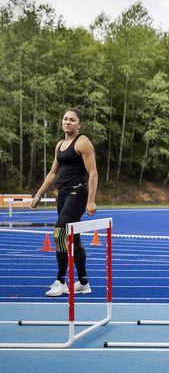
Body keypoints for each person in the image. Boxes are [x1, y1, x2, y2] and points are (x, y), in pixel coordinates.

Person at [30, 108, 98, 296]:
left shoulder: (83, 143)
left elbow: (93, 173)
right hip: (63, 194)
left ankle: (60, 281)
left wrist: (91, 200)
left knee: (59, 232)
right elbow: (53, 173)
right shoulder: (60, 144)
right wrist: (38, 195)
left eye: (72, 120)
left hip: (78, 192)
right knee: (73, 237)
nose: (67, 122)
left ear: (79, 124)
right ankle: (83, 282)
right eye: (65, 119)